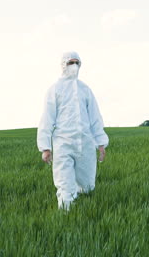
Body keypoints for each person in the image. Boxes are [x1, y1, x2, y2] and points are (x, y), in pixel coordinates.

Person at [37, 51, 109, 211]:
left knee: (88, 186)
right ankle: (65, 216)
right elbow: (47, 119)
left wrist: (101, 143)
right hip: (63, 143)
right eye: (71, 63)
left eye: (77, 63)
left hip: (85, 143)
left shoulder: (85, 90)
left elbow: (95, 118)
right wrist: (45, 147)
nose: (74, 66)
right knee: (64, 184)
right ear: (63, 65)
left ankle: (83, 212)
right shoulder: (54, 89)